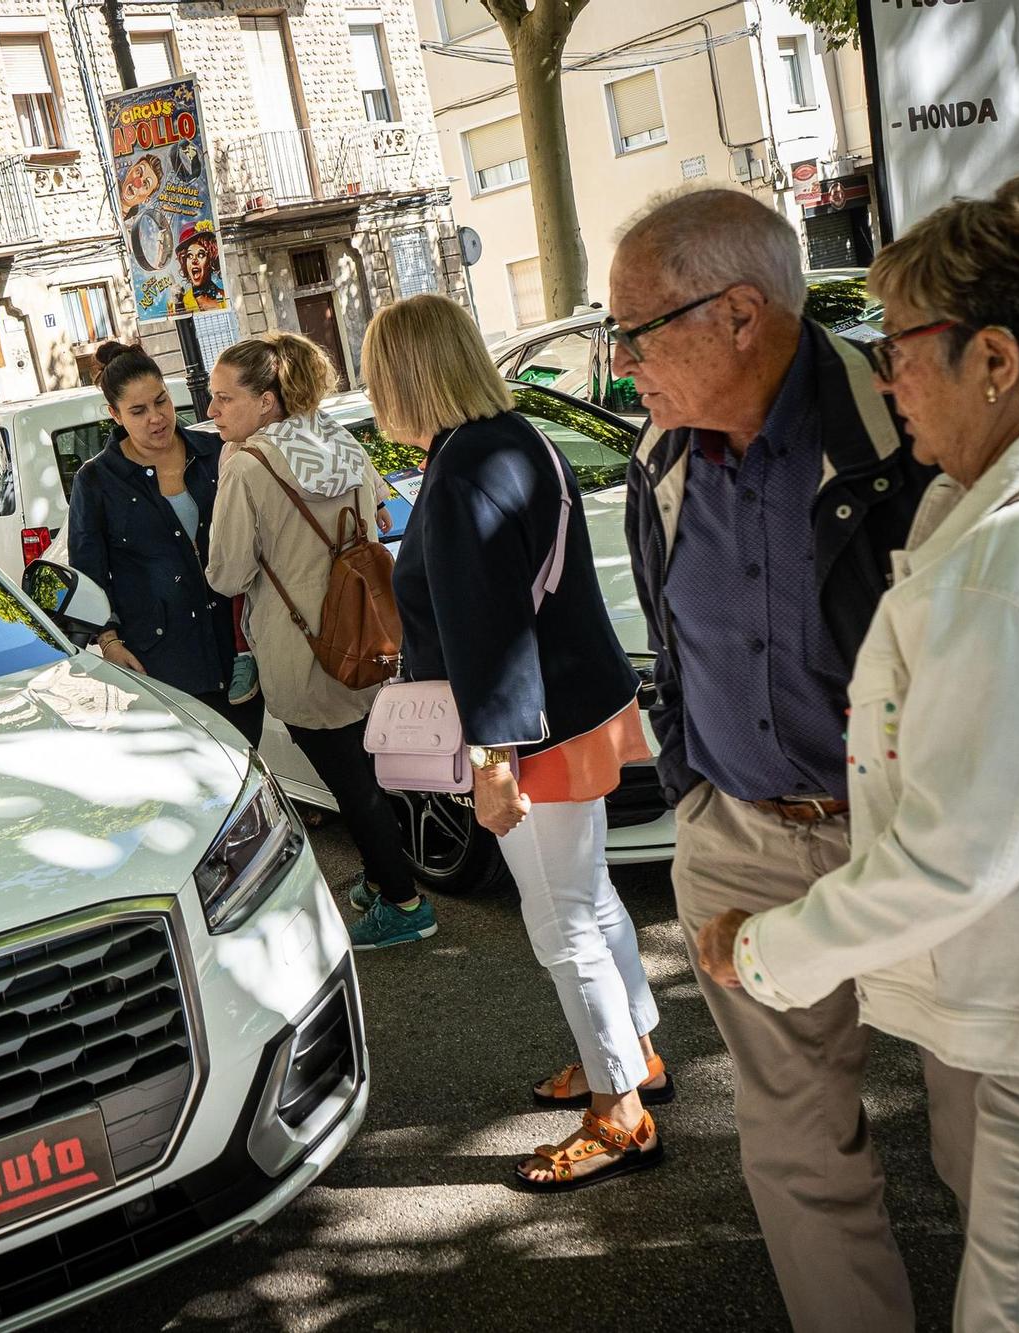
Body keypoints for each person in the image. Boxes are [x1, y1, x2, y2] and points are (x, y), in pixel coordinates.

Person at [695, 168, 1019, 1331]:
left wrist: (762, 954)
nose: (885, 372)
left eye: (903, 343)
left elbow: (952, 856)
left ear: (994, 360)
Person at [614, 188, 935, 1326]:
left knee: (987, 1130)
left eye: (635, 331)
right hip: (740, 838)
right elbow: (668, 644)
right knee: (797, 1153)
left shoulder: (902, 430)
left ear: (739, 314)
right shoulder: (658, 458)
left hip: (917, 845)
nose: (619, 363)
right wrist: (694, 789)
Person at [361, 293, 667, 1190]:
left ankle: (619, 1110)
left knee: (562, 921)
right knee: (591, 901)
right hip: (575, 708)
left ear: (404, 375)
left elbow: (486, 631)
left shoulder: (459, 471)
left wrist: (492, 764)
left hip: (528, 733)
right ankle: (630, 1057)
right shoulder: (519, 434)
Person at [203, 332, 424, 949]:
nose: (212, 412)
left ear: (267, 401)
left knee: (350, 785)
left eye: (223, 399)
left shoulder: (247, 466)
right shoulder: (340, 440)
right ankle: (386, 880)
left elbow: (225, 575)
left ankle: (404, 903)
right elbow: (381, 516)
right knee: (367, 771)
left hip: (301, 649)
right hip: (367, 629)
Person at [68, 341, 262, 746]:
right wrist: (109, 641)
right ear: (115, 415)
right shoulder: (96, 482)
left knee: (245, 766)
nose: (157, 419)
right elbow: (88, 573)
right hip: (159, 662)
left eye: (161, 402)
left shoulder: (218, 453)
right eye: (138, 412)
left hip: (239, 649)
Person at [173, 223, 225, 313]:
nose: (194, 260)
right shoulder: (181, 303)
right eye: (189, 255)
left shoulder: (224, 296)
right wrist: (178, 304)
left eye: (200, 254)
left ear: (210, 260)